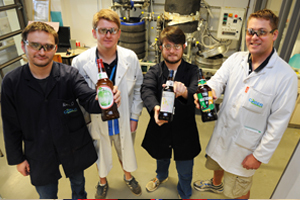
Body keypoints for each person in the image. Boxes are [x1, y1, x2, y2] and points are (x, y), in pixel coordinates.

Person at [1, 21, 120, 199]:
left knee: (79, 184)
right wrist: (18, 158)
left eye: (48, 46)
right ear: (23, 45)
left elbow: (88, 99)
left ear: (55, 48)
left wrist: (105, 100)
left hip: (71, 143)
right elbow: (10, 125)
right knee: (47, 193)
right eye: (35, 45)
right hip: (39, 149)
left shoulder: (69, 74)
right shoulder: (11, 82)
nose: (42, 52)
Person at [193, 9, 298, 199]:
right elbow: (217, 81)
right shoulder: (236, 59)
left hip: (246, 147)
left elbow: (278, 124)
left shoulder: (285, 77)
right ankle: (216, 184)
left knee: (238, 188)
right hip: (223, 133)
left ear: (274, 35)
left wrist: (259, 156)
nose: (254, 37)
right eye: (251, 31)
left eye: (261, 32)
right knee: (216, 163)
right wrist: (208, 92)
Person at [72, 8, 143, 198]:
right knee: (100, 154)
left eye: (112, 30)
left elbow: (138, 89)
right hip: (97, 120)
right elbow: (77, 97)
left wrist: (135, 116)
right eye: (103, 30)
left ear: (119, 33)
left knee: (125, 152)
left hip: (124, 118)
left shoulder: (131, 58)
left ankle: (128, 177)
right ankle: (102, 181)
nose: (108, 35)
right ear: (94, 32)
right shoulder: (80, 62)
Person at [141, 26, 201, 199]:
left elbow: (196, 89)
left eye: (177, 46)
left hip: (185, 128)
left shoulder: (192, 71)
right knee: (162, 156)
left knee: (185, 167)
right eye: (168, 46)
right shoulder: (154, 71)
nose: (172, 51)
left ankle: (184, 191)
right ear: (161, 48)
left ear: (183, 47)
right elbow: (147, 90)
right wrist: (155, 108)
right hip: (161, 125)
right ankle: (161, 176)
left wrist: (184, 92)